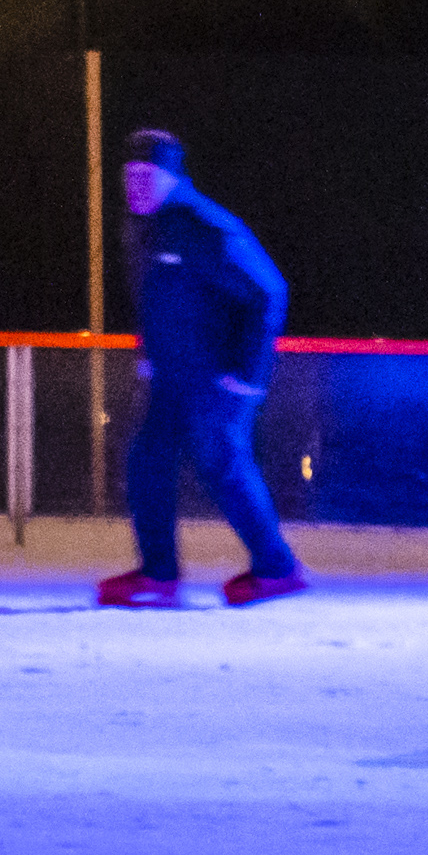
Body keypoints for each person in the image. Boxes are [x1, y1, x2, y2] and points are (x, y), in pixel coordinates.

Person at [98, 128, 304, 612]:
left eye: (147, 175)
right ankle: (158, 573)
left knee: (224, 466)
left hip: (218, 380)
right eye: (129, 176)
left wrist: (245, 376)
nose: (136, 186)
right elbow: (156, 296)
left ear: (172, 178)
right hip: (171, 376)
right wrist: (149, 354)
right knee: (146, 462)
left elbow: (269, 292)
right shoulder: (140, 226)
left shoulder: (202, 226)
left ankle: (278, 569)